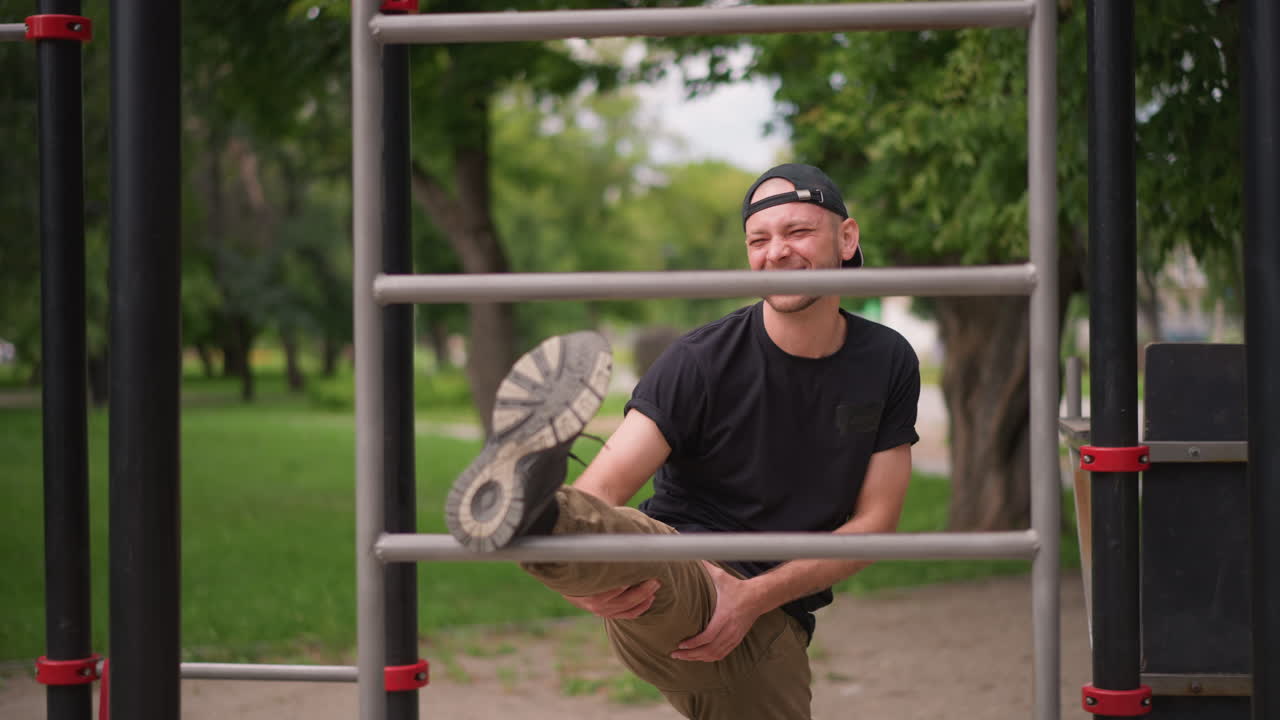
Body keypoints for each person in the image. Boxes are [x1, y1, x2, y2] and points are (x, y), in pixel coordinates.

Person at [445, 163, 921, 719]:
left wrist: (754, 598)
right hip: (676, 574)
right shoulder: (700, 362)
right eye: (759, 240)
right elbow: (601, 491)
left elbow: (874, 522)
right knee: (648, 553)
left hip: (772, 615)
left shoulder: (887, 361)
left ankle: (545, 519)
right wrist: (581, 586)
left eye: (798, 232)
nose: (776, 252)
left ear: (847, 238)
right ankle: (540, 509)